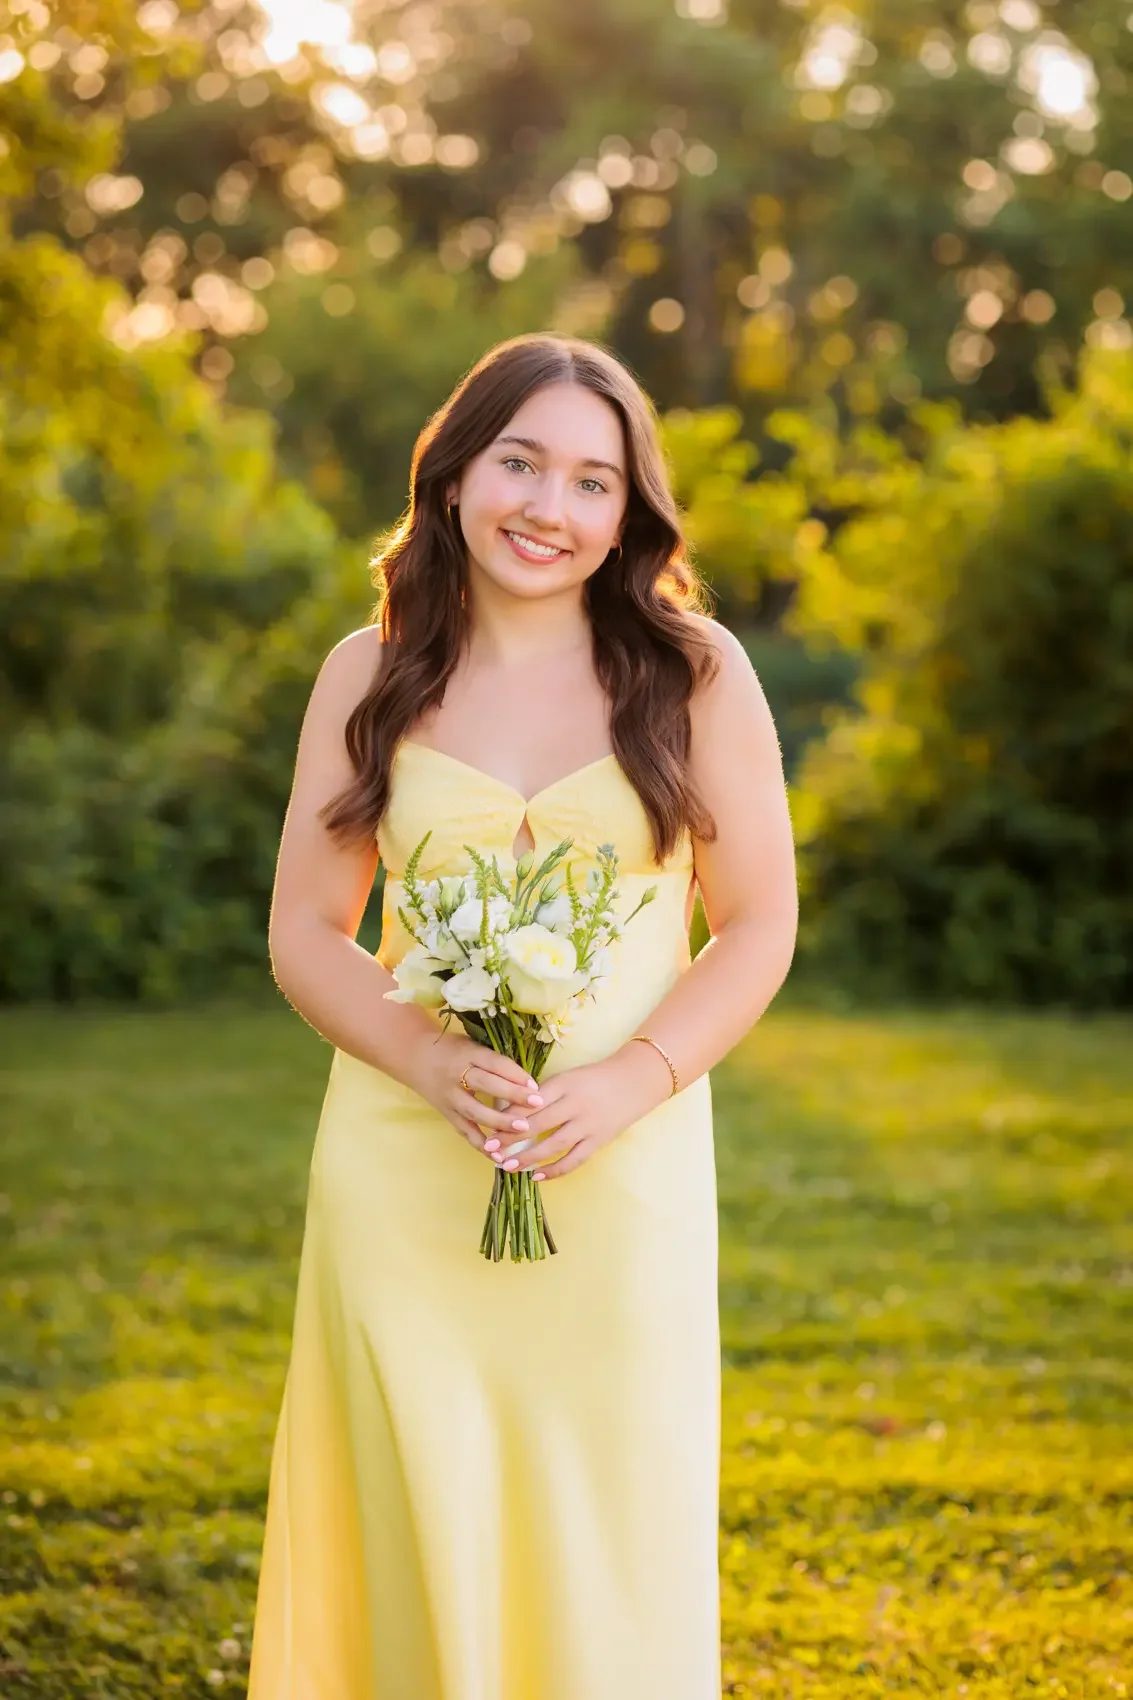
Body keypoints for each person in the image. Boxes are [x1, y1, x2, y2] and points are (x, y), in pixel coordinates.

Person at [248, 332, 798, 1699]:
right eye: (520, 463)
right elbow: (307, 933)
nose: (550, 508)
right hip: (400, 1168)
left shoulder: (697, 671)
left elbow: (761, 924)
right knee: (414, 1499)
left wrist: (634, 1081)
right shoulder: (366, 674)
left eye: (593, 480)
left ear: (631, 510)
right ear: (452, 474)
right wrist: (429, 1063)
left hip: (624, 1168)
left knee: (605, 1510)